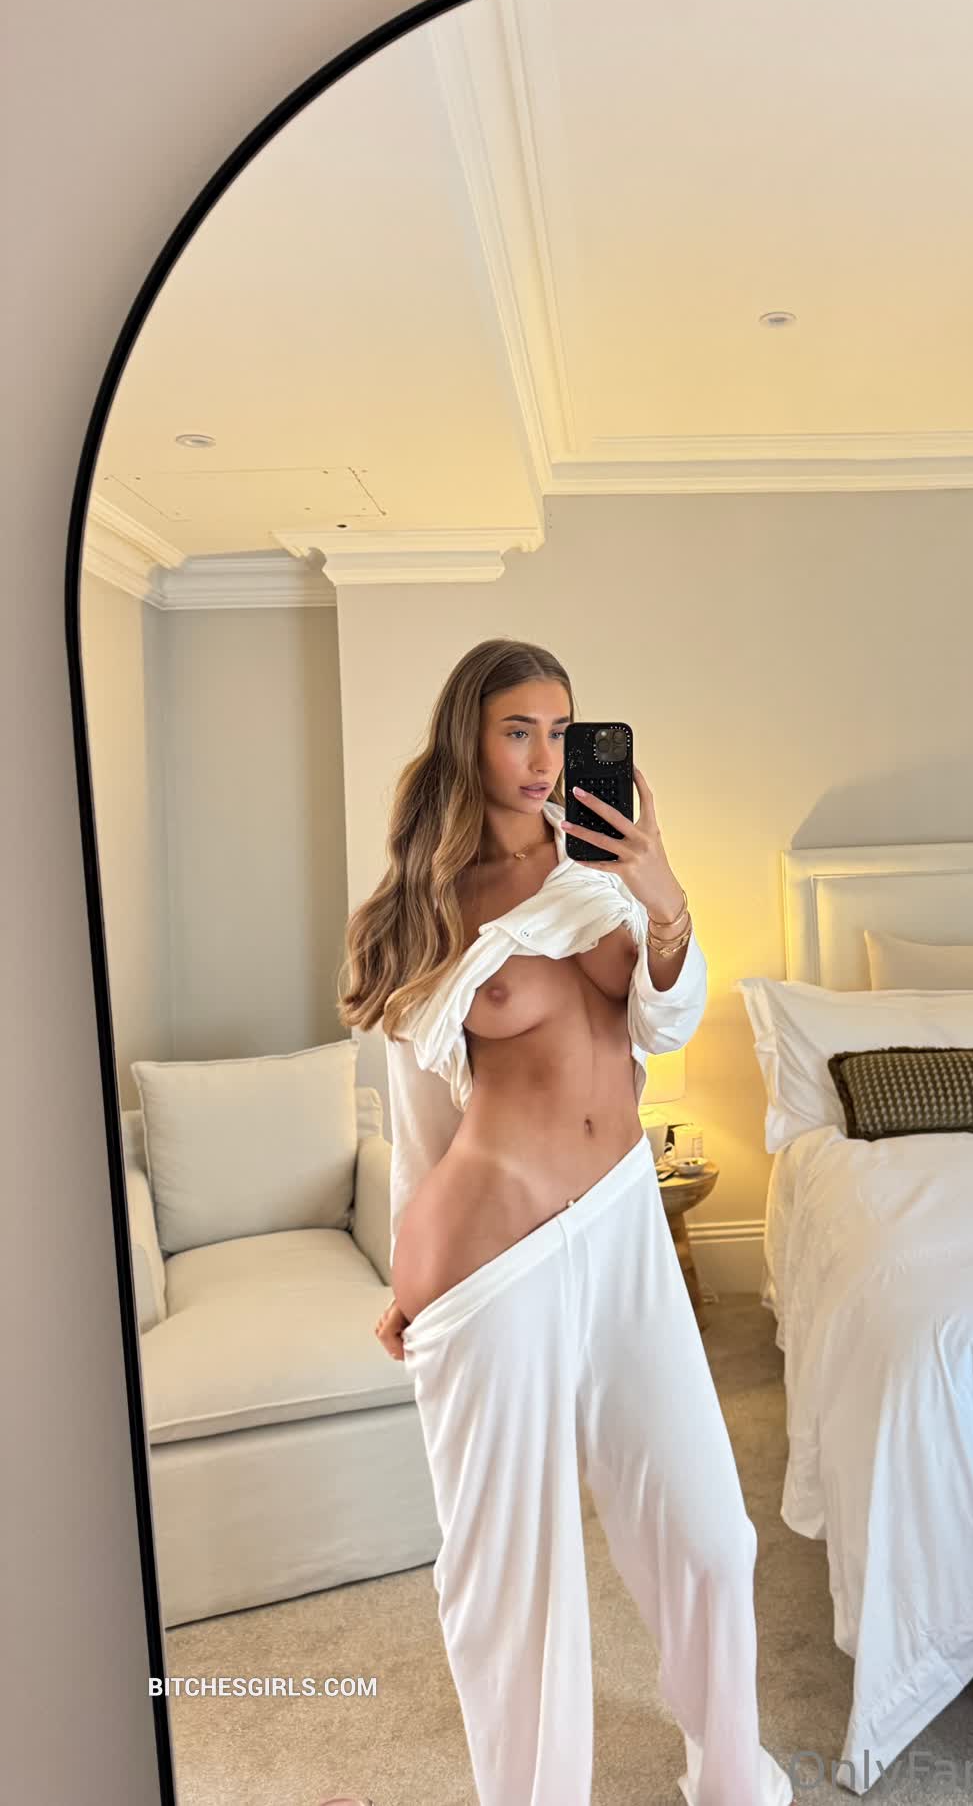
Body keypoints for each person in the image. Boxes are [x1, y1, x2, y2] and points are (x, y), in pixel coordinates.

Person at [337, 637, 793, 1806]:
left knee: (710, 1535)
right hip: (490, 1262)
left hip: (623, 1215)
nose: (543, 757)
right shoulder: (424, 908)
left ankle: (732, 1780)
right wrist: (405, 1278)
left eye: (558, 729)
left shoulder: (603, 869)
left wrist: (665, 894)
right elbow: (424, 1115)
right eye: (516, 730)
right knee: (513, 1583)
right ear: (470, 739)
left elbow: (662, 1024)